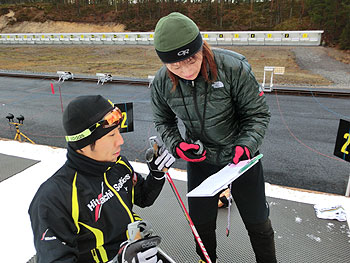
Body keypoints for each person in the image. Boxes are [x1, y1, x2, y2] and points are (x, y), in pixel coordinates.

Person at [151, 12, 276, 263]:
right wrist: (177, 145)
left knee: (257, 218)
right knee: (200, 222)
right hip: (202, 159)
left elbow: (258, 114)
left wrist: (246, 145)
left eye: (192, 60)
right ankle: (206, 260)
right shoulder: (161, 82)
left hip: (240, 158)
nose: (186, 70)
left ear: (201, 47)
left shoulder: (233, 68)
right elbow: (163, 120)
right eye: (176, 66)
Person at [28, 95, 175, 263]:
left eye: (118, 132)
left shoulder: (118, 165)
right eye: (111, 135)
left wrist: (156, 175)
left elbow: (143, 198)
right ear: (84, 143)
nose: (121, 141)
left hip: (136, 251)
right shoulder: (53, 198)